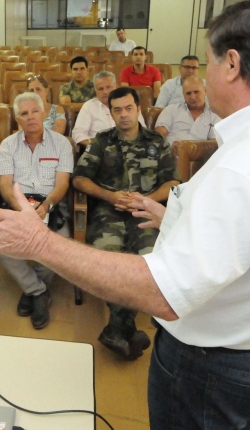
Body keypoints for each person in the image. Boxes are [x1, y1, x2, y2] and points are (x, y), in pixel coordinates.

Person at [0, 0, 250, 429]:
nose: (202, 76)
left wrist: (38, 242)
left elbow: (162, 293)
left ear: (233, 64)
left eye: (208, 63)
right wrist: (175, 219)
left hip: (210, 363)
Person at [72, 87, 178, 360]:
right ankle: (124, 327)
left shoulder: (156, 141)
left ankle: (118, 327)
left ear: (138, 108)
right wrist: (110, 195)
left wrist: (146, 200)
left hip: (146, 213)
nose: (123, 115)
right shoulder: (102, 141)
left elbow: (173, 182)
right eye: (117, 110)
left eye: (128, 108)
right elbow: (80, 179)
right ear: (111, 112)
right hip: (109, 213)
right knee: (106, 259)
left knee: (151, 260)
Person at [0, 92, 74, 329]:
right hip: (18, 205)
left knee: (61, 241)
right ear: (17, 118)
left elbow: (62, 184)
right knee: (0, 242)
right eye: (24, 113)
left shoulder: (62, 143)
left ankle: (32, 288)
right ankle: (38, 291)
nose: (30, 117)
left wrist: (46, 205)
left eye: (35, 111)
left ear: (44, 113)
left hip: (49, 204)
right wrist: (22, 209)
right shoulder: (7, 145)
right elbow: (5, 185)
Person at [71, 72, 147, 147]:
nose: (105, 92)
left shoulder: (128, 104)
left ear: (116, 86)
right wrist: (96, 145)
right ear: (95, 91)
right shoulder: (89, 106)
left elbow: (143, 130)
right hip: (100, 151)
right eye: (100, 89)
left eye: (108, 87)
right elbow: (78, 133)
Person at [156, 77, 221, 145]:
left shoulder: (216, 114)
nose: (192, 97)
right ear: (183, 95)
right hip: (170, 152)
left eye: (196, 92)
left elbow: (215, 143)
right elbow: (158, 136)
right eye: (188, 93)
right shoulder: (170, 110)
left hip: (202, 153)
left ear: (205, 91)